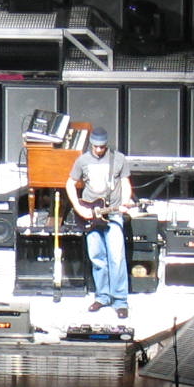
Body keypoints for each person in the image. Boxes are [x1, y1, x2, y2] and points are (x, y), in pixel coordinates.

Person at [65, 126, 134, 319]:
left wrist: (124, 202)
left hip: (112, 214)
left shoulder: (118, 159)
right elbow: (70, 183)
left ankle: (120, 301)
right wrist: (79, 208)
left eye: (101, 147)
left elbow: (126, 184)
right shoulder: (82, 160)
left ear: (106, 145)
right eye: (95, 147)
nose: (98, 150)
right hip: (91, 214)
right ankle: (102, 297)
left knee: (117, 258)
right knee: (97, 258)